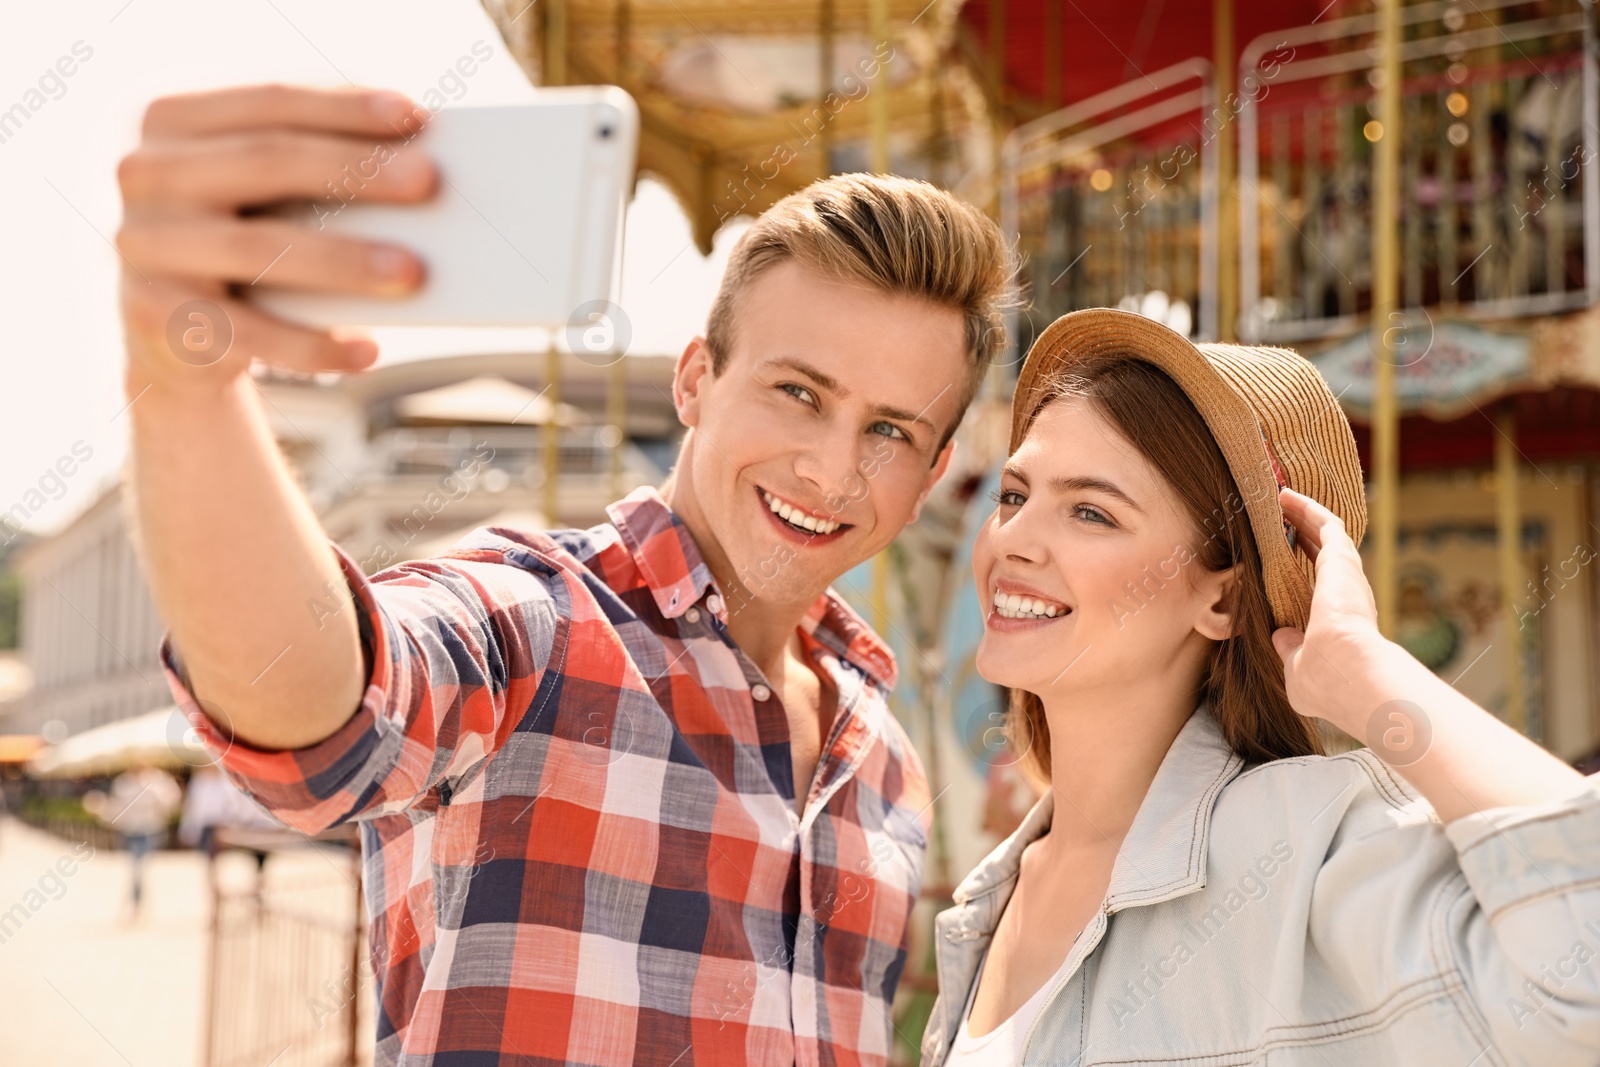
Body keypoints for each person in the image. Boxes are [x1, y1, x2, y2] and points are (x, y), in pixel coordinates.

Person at [115, 84, 1018, 1066]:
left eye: (889, 430)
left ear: (933, 475)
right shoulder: (533, 621)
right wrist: (188, 391)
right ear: (694, 382)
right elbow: (319, 708)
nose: (832, 468)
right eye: (798, 392)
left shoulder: (885, 763)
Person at [921, 308, 1600, 1067]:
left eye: (1090, 511)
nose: (1012, 538)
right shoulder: (987, 901)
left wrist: (1365, 673)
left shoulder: (1304, 852)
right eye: (1013, 496)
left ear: (1222, 598)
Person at [84, 762, 182, 920]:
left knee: (138, 868)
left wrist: (153, 794)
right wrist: (100, 809)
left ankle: (137, 905)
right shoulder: (122, 782)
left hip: (150, 829)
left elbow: (171, 802)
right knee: (135, 868)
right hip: (130, 830)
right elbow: (117, 809)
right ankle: (137, 905)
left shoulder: (159, 779)